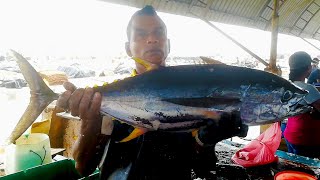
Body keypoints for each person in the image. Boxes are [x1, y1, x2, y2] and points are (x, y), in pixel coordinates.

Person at [56, 5, 248, 180]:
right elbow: (83, 168)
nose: (152, 39)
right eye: (140, 34)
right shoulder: (108, 98)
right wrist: (91, 123)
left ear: (168, 44)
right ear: (127, 48)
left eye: (159, 33)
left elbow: (202, 169)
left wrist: (206, 140)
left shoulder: (193, 90)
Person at [284, 51, 320, 158]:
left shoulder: (287, 85)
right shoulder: (308, 89)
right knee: (307, 170)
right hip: (307, 139)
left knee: (295, 165)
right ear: (309, 67)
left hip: (290, 134)